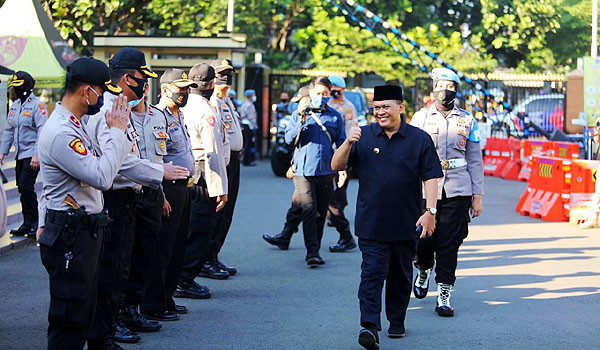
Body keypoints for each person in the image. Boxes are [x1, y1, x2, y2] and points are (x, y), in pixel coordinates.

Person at [86, 47, 189, 349]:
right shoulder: (110, 110)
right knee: (111, 267)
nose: (145, 85)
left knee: (127, 264)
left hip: (133, 196)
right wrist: (161, 175)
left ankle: (121, 316)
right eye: (141, 78)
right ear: (128, 78)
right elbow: (122, 162)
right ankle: (107, 327)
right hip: (114, 197)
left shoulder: (123, 106)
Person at [331, 85, 443, 349]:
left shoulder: (419, 139)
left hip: (407, 222)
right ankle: (369, 326)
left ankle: (397, 319)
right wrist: (348, 141)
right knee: (371, 275)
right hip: (371, 222)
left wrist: (430, 211)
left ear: (400, 108)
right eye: (376, 108)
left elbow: (430, 177)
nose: (380, 112)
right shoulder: (364, 135)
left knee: (401, 275)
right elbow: (336, 165)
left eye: (386, 107)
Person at [36, 57, 131, 350]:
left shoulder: (75, 125)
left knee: (83, 314)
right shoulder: (62, 132)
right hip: (70, 235)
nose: (102, 99)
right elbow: (103, 175)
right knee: (70, 321)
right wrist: (117, 131)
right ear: (85, 91)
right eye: (100, 92)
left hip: (82, 233)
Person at [410, 68, 484, 317]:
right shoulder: (420, 117)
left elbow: (475, 159)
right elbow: (409, 155)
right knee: (423, 240)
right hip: (425, 188)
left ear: (456, 90)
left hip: (458, 188)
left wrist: (477, 195)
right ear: (433, 88)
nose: (445, 90)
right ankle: (422, 268)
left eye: (450, 86)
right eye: (441, 85)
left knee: (449, 243)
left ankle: (444, 292)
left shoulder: (468, 120)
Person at [118, 64, 174, 335]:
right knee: (123, 257)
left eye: (146, 83)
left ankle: (132, 308)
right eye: (141, 81)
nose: (144, 88)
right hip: (128, 194)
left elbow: (158, 161)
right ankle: (118, 312)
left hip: (151, 194)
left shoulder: (158, 117)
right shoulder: (119, 114)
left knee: (145, 255)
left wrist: (161, 196)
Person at [140, 68, 197, 322]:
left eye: (186, 88)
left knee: (177, 248)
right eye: (179, 88)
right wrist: (160, 195)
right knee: (162, 249)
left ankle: (167, 297)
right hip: (168, 190)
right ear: (165, 89)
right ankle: (153, 303)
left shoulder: (179, 115)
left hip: (185, 187)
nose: (184, 93)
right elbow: (156, 160)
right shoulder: (157, 117)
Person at [177, 63, 229, 297]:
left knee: (184, 228)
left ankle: (179, 278)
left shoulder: (184, 105)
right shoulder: (207, 111)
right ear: (210, 85)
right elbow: (213, 152)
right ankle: (185, 279)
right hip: (201, 173)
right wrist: (220, 189)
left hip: (182, 171)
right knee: (200, 229)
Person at [284, 76, 345, 266]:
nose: (321, 97)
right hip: (303, 171)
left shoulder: (335, 116)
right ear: (310, 93)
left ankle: (315, 249)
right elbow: (289, 139)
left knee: (320, 211)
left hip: (326, 170)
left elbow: (342, 143)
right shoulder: (299, 114)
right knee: (308, 210)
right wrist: (302, 118)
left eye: (325, 94)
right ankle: (312, 252)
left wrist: (343, 168)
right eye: (318, 93)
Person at [204, 58, 243, 278]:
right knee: (217, 211)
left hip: (234, 161)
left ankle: (214, 255)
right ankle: (207, 258)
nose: (225, 79)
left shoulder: (226, 101)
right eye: (221, 74)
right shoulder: (212, 102)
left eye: (228, 74)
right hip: (223, 162)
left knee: (227, 213)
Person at [1, 71, 48, 238]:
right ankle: (27, 222)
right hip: (20, 154)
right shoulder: (15, 106)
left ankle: (35, 221)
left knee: (26, 185)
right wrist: (2, 152)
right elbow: (8, 130)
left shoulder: (38, 106)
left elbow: (42, 131)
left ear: (26, 87)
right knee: (22, 187)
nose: (16, 91)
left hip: (31, 153)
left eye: (18, 87)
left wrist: (37, 155)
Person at [240, 89, 258, 166]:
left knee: (246, 143)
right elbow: (251, 117)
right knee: (249, 143)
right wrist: (255, 126)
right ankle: (247, 160)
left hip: (244, 124)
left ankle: (246, 159)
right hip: (249, 125)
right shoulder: (250, 105)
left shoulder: (244, 104)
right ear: (251, 96)